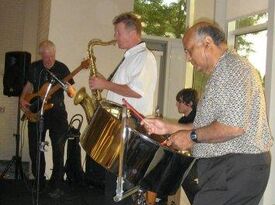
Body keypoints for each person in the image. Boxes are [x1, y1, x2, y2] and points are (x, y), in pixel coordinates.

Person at [142, 21, 273, 205]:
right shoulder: (222, 72)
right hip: (229, 168)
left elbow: (233, 127)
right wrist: (167, 126)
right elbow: (209, 126)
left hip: (234, 168)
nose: (187, 57)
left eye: (189, 50)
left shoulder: (233, 69)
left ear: (207, 43)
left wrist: (191, 137)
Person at [89, 12, 157, 204]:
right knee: (113, 185)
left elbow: (136, 92)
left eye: (118, 32)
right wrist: (104, 83)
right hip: (122, 126)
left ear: (133, 32)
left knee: (122, 188)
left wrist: (105, 85)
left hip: (131, 127)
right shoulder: (131, 58)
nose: (114, 37)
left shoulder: (144, 57)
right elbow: (123, 90)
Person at [20, 40, 75, 198]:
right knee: (35, 149)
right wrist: (23, 99)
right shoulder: (35, 67)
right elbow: (29, 86)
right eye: (45, 57)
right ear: (41, 55)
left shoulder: (62, 68)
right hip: (38, 112)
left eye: (51, 56)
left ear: (55, 54)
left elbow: (72, 93)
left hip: (58, 115)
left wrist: (68, 88)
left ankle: (56, 185)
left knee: (58, 151)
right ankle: (39, 182)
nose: (49, 60)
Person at [143, 88, 199, 205]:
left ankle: (157, 198)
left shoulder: (196, 120)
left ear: (189, 104)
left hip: (195, 161)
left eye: (179, 101)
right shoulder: (183, 120)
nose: (176, 104)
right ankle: (158, 197)